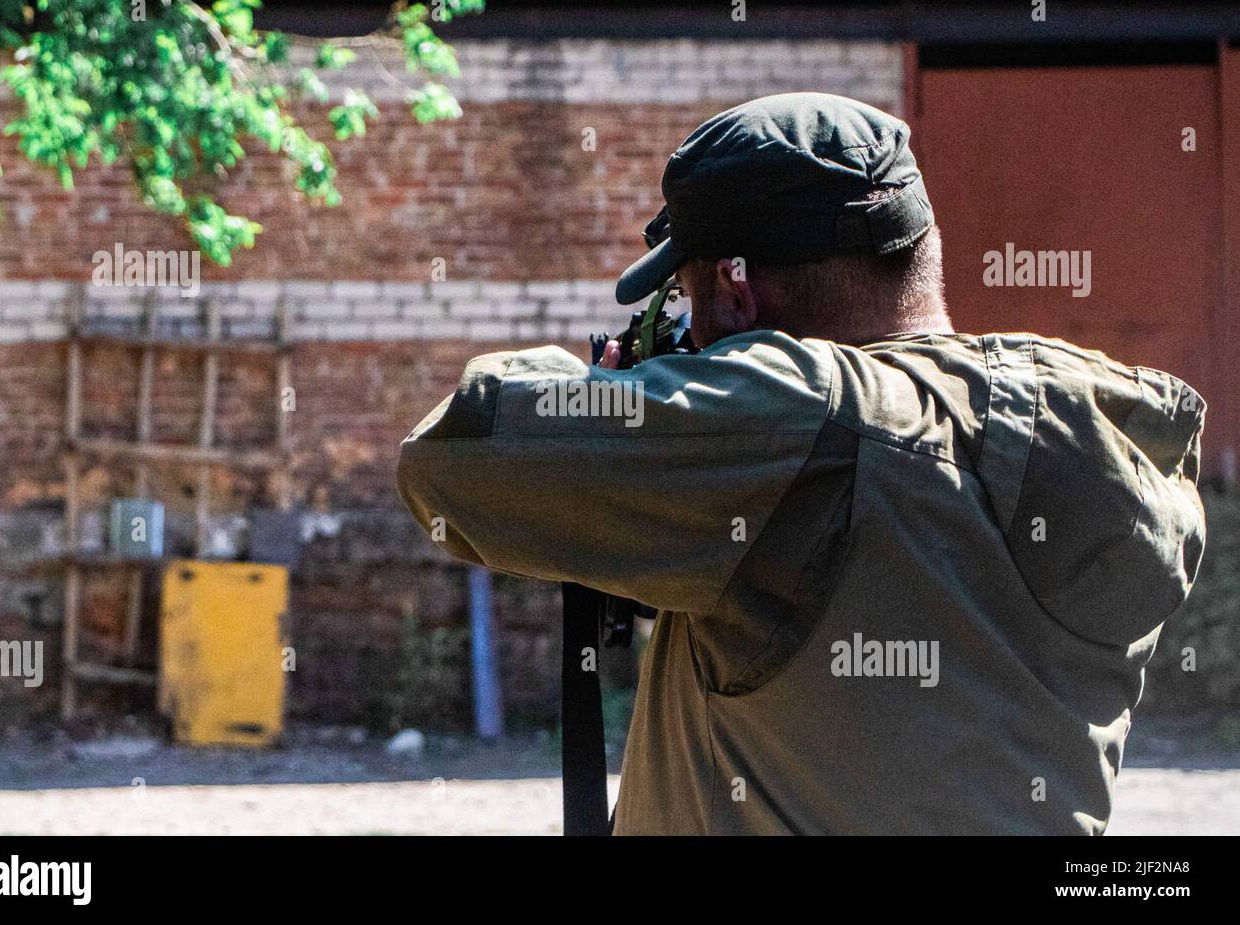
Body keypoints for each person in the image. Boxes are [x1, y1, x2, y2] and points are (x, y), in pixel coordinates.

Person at [397, 93, 1206, 834]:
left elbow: (454, 452)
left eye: (685, 298)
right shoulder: (1094, 435)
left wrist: (627, 387)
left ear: (738, 296)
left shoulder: (794, 417)